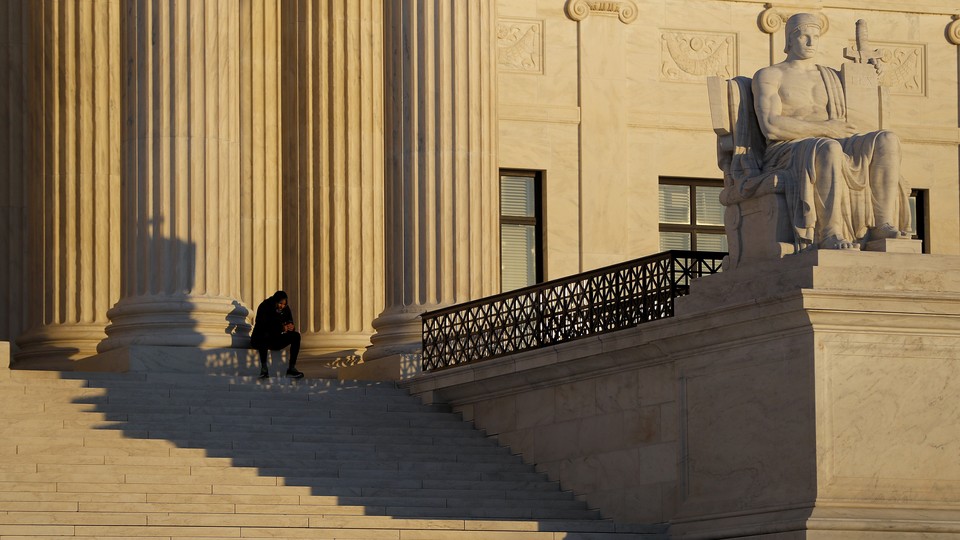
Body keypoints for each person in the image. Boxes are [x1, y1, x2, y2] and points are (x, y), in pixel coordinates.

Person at [751, 13, 911, 250]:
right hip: (787, 149)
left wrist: (868, 74)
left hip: (833, 140)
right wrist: (824, 129)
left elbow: (861, 113)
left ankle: (882, 223)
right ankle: (830, 232)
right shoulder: (771, 75)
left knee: (887, 139)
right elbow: (771, 126)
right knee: (829, 148)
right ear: (789, 40)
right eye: (803, 36)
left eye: (815, 36)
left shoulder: (833, 76)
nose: (810, 42)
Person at [250, 290, 304, 379]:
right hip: (259, 339)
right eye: (280, 304)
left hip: (275, 339)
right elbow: (263, 326)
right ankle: (264, 368)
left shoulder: (285, 308)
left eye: (284, 304)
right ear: (275, 301)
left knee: (296, 336)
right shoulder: (264, 306)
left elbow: (289, 322)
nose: (282, 306)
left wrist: (291, 327)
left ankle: (291, 368)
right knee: (265, 335)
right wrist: (281, 328)